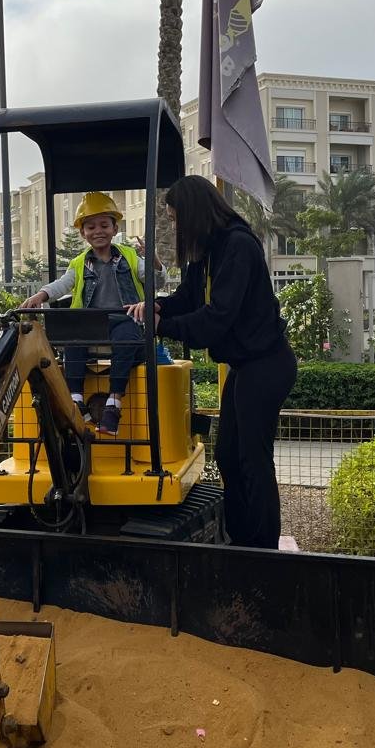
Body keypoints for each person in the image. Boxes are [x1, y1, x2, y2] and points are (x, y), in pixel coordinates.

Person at [125, 175, 296, 549]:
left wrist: (163, 326)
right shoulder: (206, 252)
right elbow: (188, 298)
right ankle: (241, 540)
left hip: (266, 364)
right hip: (246, 365)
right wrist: (157, 306)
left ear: (194, 213)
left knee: (252, 459)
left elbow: (219, 317)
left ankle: (263, 548)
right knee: (229, 456)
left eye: (175, 218)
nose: (174, 226)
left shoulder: (238, 246)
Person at [20, 192, 163, 435]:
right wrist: (41, 296)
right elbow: (61, 285)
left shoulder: (130, 257)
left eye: (104, 225)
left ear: (115, 228)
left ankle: (114, 402)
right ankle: (76, 400)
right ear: (83, 233)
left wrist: (154, 262)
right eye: (91, 226)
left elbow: (156, 281)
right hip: (90, 325)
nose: (98, 231)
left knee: (127, 336)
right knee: (73, 339)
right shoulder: (78, 263)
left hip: (124, 320)